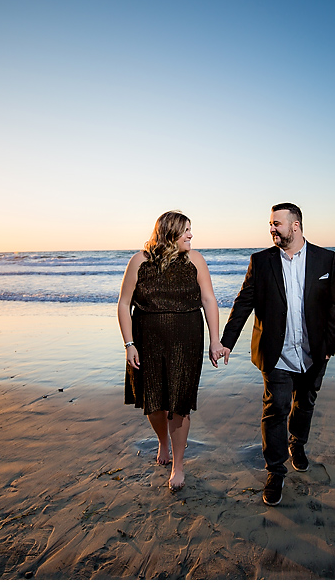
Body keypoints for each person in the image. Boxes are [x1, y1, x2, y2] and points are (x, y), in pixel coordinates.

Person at [220, 202, 335, 506]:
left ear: (295, 225)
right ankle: (275, 471)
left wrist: (328, 346)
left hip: (314, 352)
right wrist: (226, 341)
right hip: (276, 352)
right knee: (276, 409)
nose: (272, 228)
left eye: (277, 223)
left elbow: (334, 306)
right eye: (270, 224)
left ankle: (297, 444)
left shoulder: (325, 259)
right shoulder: (261, 262)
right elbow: (243, 303)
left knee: (305, 404)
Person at [118, 211, 225, 492]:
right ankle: (163, 440)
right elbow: (123, 304)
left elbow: (209, 300)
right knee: (153, 402)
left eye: (191, 230)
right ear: (169, 233)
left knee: (179, 402)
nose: (191, 235)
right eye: (186, 230)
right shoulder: (139, 261)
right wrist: (129, 344)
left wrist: (215, 341)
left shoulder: (195, 260)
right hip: (146, 342)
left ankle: (178, 464)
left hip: (186, 342)